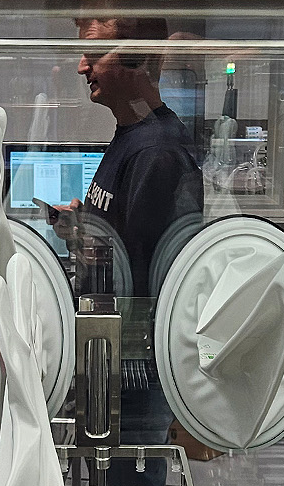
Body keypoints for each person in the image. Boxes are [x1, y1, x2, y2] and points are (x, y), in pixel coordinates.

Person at [57, 15, 202, 296]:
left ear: (135, 57)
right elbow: (120, 237)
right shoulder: (132, 134)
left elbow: (141, 290)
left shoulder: (157, 154)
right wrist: (83, 226)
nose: (82, 66)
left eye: (94, 53)